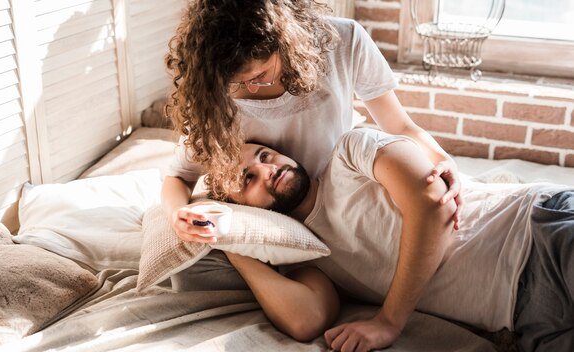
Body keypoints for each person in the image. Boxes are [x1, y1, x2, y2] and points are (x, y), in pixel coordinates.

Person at [220, 128, 573, 352]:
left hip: (538, 232)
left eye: (264, 156)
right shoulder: (307, 256)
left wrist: (389, 321)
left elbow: (433, 206)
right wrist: (230, 241)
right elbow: (305, 320)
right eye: (248, 179)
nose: (269, 169)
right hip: (528, 317)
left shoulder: (350, 152)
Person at [162, 0, 462, 245]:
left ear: (284, 41)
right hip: (288, 219)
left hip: (349, 195)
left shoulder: (343, 41)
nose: (250, 89)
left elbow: (399, 126)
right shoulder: (211, 93)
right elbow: (178, 177)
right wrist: (178, 214)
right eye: (237, 82)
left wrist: (442, 159)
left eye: (259, 76)